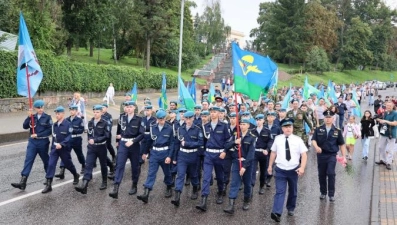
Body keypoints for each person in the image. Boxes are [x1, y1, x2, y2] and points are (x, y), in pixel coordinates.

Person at [268, 118, 308, 222]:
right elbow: (273, 153)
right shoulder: (278, 139)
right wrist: (269, 166)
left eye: (290, 127)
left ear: (292, 128)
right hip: (280, 169)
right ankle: (277, 213)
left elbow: (304, 154)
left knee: (293, 191)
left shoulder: (298, 140)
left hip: (293, 170)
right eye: (286, 127)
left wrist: (302, 167)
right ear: (282, 129)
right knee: (280, 191)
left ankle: (290, 208)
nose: (288, 129)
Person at [196, 106, 232, 212]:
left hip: (219, 155)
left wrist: (225, 151)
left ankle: (220, 192)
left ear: (218, 113)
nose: (212, 114)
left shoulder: (224, 126)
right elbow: (202, 141)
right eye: (211, 112)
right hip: (208, 155)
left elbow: (229, 140)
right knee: (206, 177)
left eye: (214, 112)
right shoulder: (205, 126)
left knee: (220, 177)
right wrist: (203, 152)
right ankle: (203, 200)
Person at [11, 100, 52, 191]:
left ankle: (49, 182)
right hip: (32, 142)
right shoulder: (32, 117)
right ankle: (23, 182)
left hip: (43, 142)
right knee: (28, 161)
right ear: (35, 108)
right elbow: (25, 126)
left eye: (42, 107)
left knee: (46, 161)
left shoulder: (47, 117)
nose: (40, 109)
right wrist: (28, 117)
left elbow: (50, 131)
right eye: (38, 108)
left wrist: (38, 135)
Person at [138, 110, 174, 203]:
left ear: (165, 118)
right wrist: (145, 153)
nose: (160, 121)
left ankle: (169, 186)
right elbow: (149, 141)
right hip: (154, 153)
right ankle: (146, 193)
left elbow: (172, 144)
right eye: (159, 119)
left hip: (165, 153)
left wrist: (169, 156)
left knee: (167, 172)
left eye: (162, 119)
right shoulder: (153, 128)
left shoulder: (170, 128)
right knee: (151, 173)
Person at [109, 101, 144, 199]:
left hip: (134, 145)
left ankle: (134, 184)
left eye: (130, 107)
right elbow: (119, 130)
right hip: (123, 144)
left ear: (134, 108)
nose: (128, 108)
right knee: (119, 165)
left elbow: (142, 134)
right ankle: (116, 188)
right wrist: (118, 139)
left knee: (135, 167)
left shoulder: (139, 119)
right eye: (127, 107)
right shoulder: (122, 118)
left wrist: (133, 141)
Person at [42, 106, 80, 194]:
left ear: (63, 114)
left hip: (64, 149)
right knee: (51, 164)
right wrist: (52, 148)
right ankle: (48, 185)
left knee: (68, 164)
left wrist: (62, 144)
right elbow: (54, 138)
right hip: (55, 149)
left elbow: (69, 137)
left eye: (58, 114)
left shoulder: (68, 124)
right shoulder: (54, 125)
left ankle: (75, 175)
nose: (57, 115)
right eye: (56, 114)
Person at [312, 109, 347, 202]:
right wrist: (316, 147)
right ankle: (323, 192)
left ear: (333, 118)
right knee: (321, 174)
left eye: (329, 117)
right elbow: (313, 140)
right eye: (326, 117)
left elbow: (342, 144)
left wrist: (344, 156)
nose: (328, 119)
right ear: (324, 118)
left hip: (332, 155)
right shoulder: (318, 129)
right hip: (321, 155)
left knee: (331, 173)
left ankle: (331, 194)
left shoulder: (337, 131)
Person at [223, 119, 256, 214]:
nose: (242, 126)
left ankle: (246, 200)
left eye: (244, 124)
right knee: (234, 182)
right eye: (241, 124)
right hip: (237, 162)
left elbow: (251, 154)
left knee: (247, 183)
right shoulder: (235, 135)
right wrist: (235, 142)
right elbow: (227, 145)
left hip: (247, 164)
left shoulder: (252, 137)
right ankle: (231, 205)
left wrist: (244, 167)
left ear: (248, 126)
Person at [75, 105, 110, 194]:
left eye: (97, 112)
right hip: (92, 148)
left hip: (101, 147)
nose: (95, 113)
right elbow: (89, 134)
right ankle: (84, 184)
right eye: (94, 112)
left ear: (102, 113)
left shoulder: (105, 123)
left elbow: (106, 136)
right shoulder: (90, 122)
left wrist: (95, 140)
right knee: (88, 165)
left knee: (103, 165)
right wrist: (90, 140)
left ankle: (104, 182)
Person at [171, 111, 204, 206]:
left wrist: (188, 144)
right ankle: (177, 197)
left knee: (194, 174)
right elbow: (177, 144)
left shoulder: (198, 129)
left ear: (193, 118)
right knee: (180, 175)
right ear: (184, 119)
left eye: (190, 118)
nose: (188, 120)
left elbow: (200, 143)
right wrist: (174, 157)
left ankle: (195, 189)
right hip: (182, 155)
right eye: (186, 118)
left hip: (193, 155)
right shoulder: (180, 129)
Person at [54, 105, 85, 179]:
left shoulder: (80, 120)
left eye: (73, 110)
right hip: (68, 140)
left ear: (76, 111)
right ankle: (62, 171)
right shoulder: (67, 120)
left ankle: (83, 165)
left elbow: (81, 130)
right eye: (70, 110)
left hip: (76, 139)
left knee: (79, 154)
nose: (71, 111)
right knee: (65, 155)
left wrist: (72, 130)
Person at [251, 114, 274, 195]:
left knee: (263, 171)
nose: (258, 121)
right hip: (254, 153)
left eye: (260, 120)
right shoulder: (252, 131)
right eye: (257, 120)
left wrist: (267, 149)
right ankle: (251, 186)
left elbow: (270, 141)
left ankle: (262, 186)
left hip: (264, 153)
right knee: (252, 170)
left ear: (263, 121)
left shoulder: (267, 131)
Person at [375, 101, 397, 170]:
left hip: (391, 134)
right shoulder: (385, 113)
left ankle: (388, 162)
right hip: (384, 133)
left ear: (393, 106)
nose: (388, 107)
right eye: (387, 106)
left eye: (390, 106)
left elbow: (394, 123)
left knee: (390, 150)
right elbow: (384, 121)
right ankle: (383, 160)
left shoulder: (395, 113)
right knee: (381, 147)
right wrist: (380, 120)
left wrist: (385, 121)